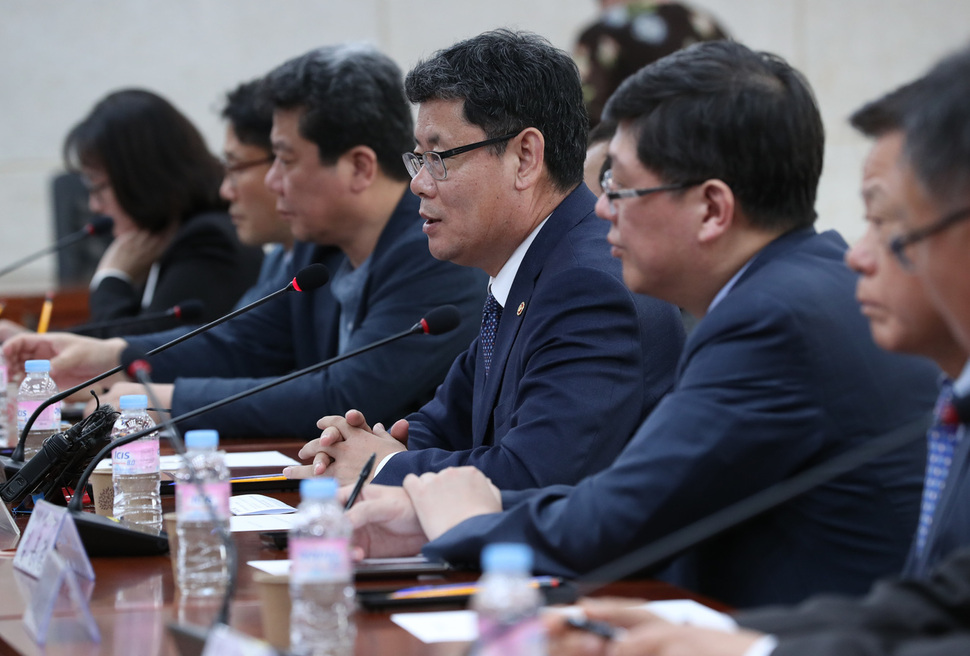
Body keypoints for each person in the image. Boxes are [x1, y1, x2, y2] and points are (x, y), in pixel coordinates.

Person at [342, 40, 941, 608]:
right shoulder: (791, 288)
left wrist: (467, 520)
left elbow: (621, 512)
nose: (600, 210)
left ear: (711, 209)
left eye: (621, 189)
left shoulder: (772, 320)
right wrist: (425, 512)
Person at [542, 43, 970, 656]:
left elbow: (609, 521)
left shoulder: (778, 315)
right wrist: (735, 641)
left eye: (887, 223)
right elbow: (940, 603)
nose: (860, 253)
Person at [3, 44, 485, 440]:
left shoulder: (435, 251)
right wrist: (111, 354)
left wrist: (163, 399)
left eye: (285, 159)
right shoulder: (319, 250)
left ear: (359, 167)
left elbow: (345, 392)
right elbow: (237, 342)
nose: (272, 181)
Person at [290, 30, 685, 491]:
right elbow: (444, 422)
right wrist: (352, 447)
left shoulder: (587, 287)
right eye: (418, 159)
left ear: (524, 157)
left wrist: (380, 466)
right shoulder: (530, 268)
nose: (418, 183)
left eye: (438, 157)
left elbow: (533, 475)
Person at [66, 88, 264, 336]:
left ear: (139, 178)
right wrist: (31, 343)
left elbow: (139, 350)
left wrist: (112, 279)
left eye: (97, 187)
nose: (95, 206)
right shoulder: (162, 240)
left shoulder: (209, 241)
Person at [575, 0, 728, 125]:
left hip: (643, 152)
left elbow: (581, 110)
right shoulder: (703, 23)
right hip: (712, 148)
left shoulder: (601, 34)